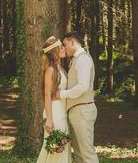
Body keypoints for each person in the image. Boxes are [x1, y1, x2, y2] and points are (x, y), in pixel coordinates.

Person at [54, 31, 97, 163]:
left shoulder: (83, 58)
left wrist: (62, 94)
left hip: (82, 111)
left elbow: (83, 86)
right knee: (79, 155)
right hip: (77, 111)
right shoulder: (77, 60)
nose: (64, 48)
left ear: (73, 42)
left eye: (65, 44)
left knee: (87, 153)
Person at [36, 35, 71, 163]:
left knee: (62, 147)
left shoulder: (60, 68)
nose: (63, 49)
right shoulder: (50, 69)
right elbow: (47, 95)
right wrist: (49, 119)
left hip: (62, 112)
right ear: (54, 51)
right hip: (54, 113)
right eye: (60, 47)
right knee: (55, 148)